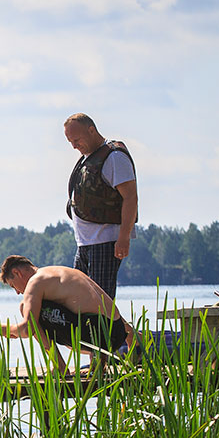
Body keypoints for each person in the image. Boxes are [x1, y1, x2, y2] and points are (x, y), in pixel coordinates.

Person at [0, 255, 133, 373]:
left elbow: (28, 328)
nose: (17, 292)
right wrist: (131, 335)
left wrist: (7, 329)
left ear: (17, 273)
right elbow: (102, 305)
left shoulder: (35, 282)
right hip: (116, 333)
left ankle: (59, 366)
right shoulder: (62, 271)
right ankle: (98, 364)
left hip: (97, 335)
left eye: (13, 285)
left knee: (25, 307)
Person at [64, 113, 138, 299]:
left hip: (105, 241)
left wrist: (124, 237)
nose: (74, 146)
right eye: (70, 141)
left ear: (91, 130)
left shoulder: (114, 157)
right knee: (77, 298)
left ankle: (109, 321)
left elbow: (130, 197)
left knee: (99, 300)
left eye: (77, 140)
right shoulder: (88, 157)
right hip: (85, 242)